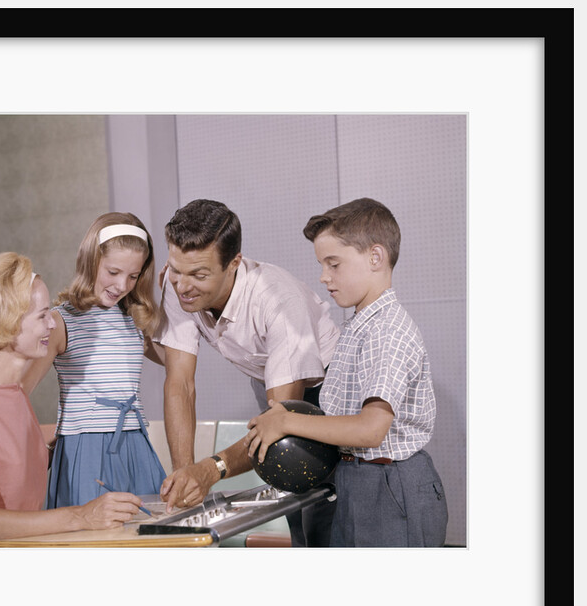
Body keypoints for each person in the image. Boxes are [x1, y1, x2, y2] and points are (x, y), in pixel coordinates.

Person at [245, 198, 448, 547]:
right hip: (357, 481)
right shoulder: (360, 325)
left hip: (390, 486)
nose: (324, 277)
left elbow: (370, 430)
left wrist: (285, 421)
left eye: (333, 264)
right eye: (322, 264)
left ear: (375, 257)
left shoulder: (387, 331)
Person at [0, 252, 144, 547]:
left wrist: (81, 446)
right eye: (42, 315)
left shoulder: (14, 395)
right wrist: (81, 516)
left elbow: (13, 467)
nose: (52, 324)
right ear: (7, 323)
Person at [154, 198, 340, 546]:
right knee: (291, 504)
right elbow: (179, 382)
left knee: (321, 514)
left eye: (199, 274)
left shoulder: (279, 302)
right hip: (270, 381)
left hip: (329, 389)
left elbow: (279, 426)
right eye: (176, 270)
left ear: (234, 264)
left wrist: (211, 470)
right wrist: (186, 477)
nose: (182, 285)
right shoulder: (179, 285)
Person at [22, 212, 168, 508]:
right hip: (85, 447)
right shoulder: (61, 321)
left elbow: (175, 361)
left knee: (150, 537)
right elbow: (19, 392)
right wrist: (36, 446)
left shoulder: (133, 320)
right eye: (113, 272)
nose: (122, 284)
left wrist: (172, 301)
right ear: (91, 261)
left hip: (135, 444)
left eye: (133, 275)